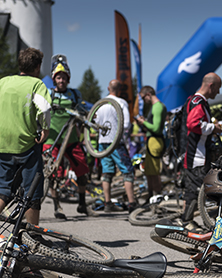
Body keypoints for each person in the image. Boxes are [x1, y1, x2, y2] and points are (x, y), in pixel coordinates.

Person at [0, 48, 51, 225]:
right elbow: (44, 108)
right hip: (26, 144)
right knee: (33, 191)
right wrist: (45, 129)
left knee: (3, 191)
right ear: (38, 67)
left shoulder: (3, 82)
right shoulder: (37, 85)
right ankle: (32, 235)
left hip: (2, 143)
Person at [44, 54, 97, 218]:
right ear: (54, 79)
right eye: (58, 77)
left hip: (72, 139)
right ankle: (57, 207)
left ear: (68, 78)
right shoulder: (48, 94)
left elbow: (81, 111)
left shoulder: (75, 94)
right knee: (54, 175)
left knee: (82, 172)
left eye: (64, 77)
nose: (61, 80)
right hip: (53, 140)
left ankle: (82, 204)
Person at [182, 73, 222, 231]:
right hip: (196, 154)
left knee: (194, 188)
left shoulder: (194, 100)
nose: (218, 93)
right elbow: (193, 124)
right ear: (211, 86)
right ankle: (186, 221)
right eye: (217, 89)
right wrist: (214, 128)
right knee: (195, 189)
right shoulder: (198, 101)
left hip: (195, 153)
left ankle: (187, 219)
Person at [96, 79, 138, 213]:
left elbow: (96, 122)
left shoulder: (101, 104)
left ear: (108, 88)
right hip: (116, 142)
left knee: (107, 173)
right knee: (128, 172)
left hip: (102, 142)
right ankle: (132, 203)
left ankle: (107, 203)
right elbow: (126, 124)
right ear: (119, 89)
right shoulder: (121, 102)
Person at [135, 86, 167, 202]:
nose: (144, 101)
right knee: (149, 170)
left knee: (154, 171)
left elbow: (157, 128)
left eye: (144, 98)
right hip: (152, 140)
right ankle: (151, 196)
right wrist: (145, 123)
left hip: (155, 140)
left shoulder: (157, 107)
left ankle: (156, 197)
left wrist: (144, 122)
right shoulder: (155, 107)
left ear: (148, 94)